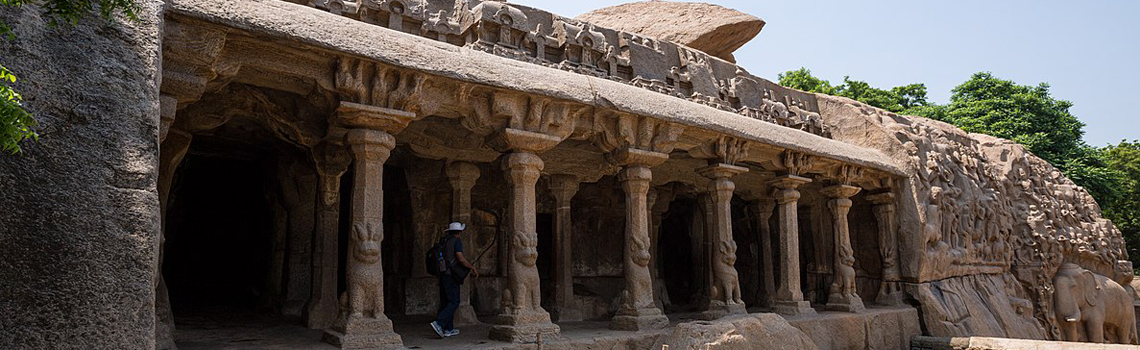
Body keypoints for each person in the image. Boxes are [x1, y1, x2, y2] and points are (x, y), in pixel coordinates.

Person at [430, 222, 479, 338]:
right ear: (459, 232)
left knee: (446, 301)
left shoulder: (444, 241)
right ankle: (439, 322)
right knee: (454, 301)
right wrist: (471, 267)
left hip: (442, 274)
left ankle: (448, 329)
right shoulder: (456, 241)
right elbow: (460, 258)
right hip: (451, 275)